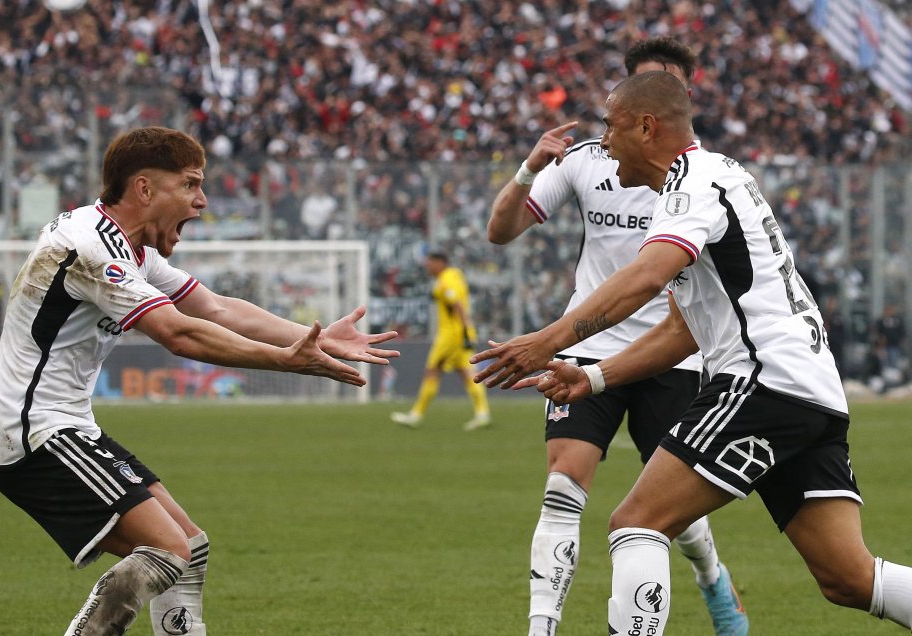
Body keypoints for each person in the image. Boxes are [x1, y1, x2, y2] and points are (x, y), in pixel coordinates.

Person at [474, 71, 912, 633]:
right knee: (849, 578)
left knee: (637, 523)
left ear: (646, 127)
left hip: (762, 380)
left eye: (610, 126)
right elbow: (682, 331)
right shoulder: (716, 177)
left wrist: (546, 341)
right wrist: (595, 378)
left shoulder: (691, 183)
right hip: (810, 390)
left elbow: (647, 277)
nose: (604, 142)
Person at [0, 126, 400, 636]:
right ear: (144, 189)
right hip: (33, 433)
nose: (202, 201)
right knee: (166, 549)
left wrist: (319, 339)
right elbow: (178, 334)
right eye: (190, 184)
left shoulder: (132, 249)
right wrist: (286, 361)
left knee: (189, 548)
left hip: (68, 428)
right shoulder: (91, 247)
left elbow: (216, 308)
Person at [487, 37, 747, 636]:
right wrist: (529, 168)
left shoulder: (706, 177)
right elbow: (500, 231)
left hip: (672, 349)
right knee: (562, 486)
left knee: (673, 509)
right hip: (586, 346)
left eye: (672, 84)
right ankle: (541, 628)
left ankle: (712, 578)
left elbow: (657, 275)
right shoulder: (586, 159)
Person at [390, 251, 491, 431]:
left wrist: (465, 331)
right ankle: (483, 414)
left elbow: (457, 304)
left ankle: (416, 415)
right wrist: (467, 332)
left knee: (432, 371)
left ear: (440, 263)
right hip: (461, 334)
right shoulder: (455, 275)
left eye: (430, 264)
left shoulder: (446, 280)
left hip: (451, 336)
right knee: (467, 373)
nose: (427, 268)